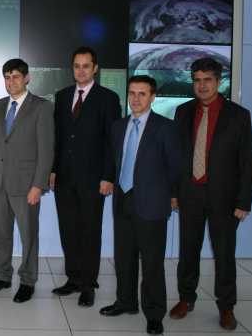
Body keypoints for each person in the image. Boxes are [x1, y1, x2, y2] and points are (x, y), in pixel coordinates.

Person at [169, 58, 252, 330]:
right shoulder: (182, 112)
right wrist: (174, 193)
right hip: (190, 194)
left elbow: (248, 162)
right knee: (188, 251)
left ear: (219, 82)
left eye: (208, 80)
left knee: (224, 255)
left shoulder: (239, 115)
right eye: (197, 80)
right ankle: (186, 298)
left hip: (225, 198)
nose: (202, 85)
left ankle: (227, 307)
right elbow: (176, 158)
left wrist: (244, 202)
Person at [99, 75, 180, 335]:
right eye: (132, 93)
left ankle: (155, 313)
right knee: (123, 258)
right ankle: (126, 301)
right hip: (123, 199)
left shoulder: (166, 127)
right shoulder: (118, 126)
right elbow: (114, 160)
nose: (135, 98)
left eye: (142, 94)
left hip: (152, 203)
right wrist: (109, 179)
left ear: (153, 97)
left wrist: (174, 195)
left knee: (152, 263)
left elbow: (176, 167)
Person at [51, 46, 121, 307]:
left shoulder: (108, 98)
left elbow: (112, 142)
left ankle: (88, 284)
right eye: (76, 66)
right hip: (64, 179)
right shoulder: (62, 96)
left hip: (94, 180)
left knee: (90, 231)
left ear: (95, 68)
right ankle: (73, 278)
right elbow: (58, 138)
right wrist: (53, 170)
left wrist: (108, 176)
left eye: (85, 66)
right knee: (68, 230)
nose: (80, 70)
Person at [0, 58, 54, 303]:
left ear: (27, 78)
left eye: (15, 77)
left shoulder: (42, 107)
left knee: (28, 236)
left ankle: (27, 281)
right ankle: (2, 276)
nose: (10, 82)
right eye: (7, 77)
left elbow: (46, 150)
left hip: (26, 186)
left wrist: (38, 185)